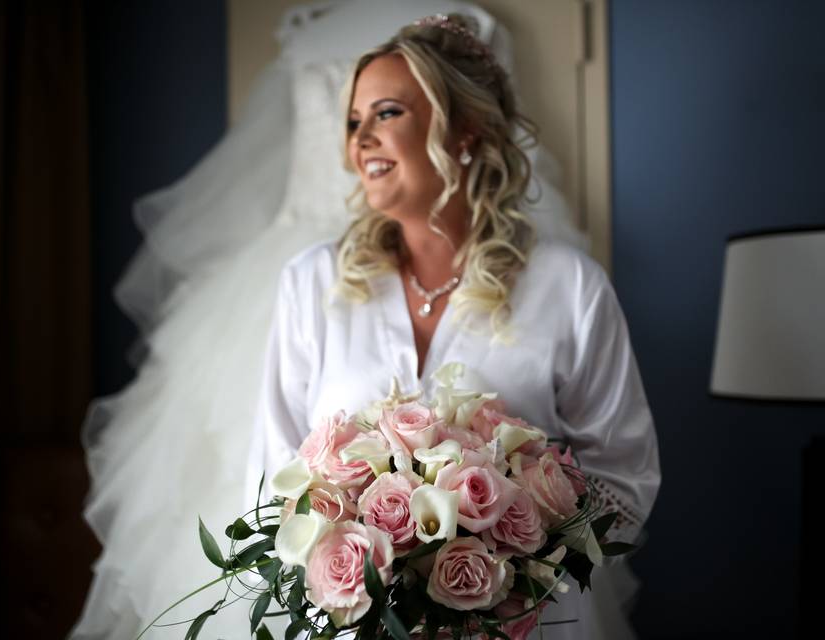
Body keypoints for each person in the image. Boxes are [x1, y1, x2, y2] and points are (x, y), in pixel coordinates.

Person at [247, 13, 660, 640]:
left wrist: (514, 564)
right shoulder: (312, 285)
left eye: (386, 114)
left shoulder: (568, 287)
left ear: (463, 129)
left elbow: (624, 473)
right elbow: (274, 467)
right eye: (354, 122)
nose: (360, 142)